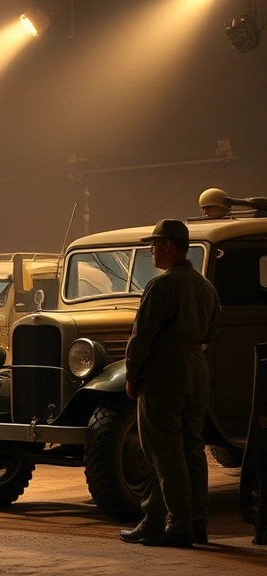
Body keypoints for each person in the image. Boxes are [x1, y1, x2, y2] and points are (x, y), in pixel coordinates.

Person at [119, 219, 220, 549]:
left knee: (163, 452)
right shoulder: (206, 286)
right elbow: (211, 331)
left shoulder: (161, 285)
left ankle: (172, 525)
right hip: (196, 372)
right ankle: (197, 522)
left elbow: (142, 336)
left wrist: (132, 374)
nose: (151, 250)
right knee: (192, 449)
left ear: (167, 246)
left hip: (163, 375)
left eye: (154, 244)